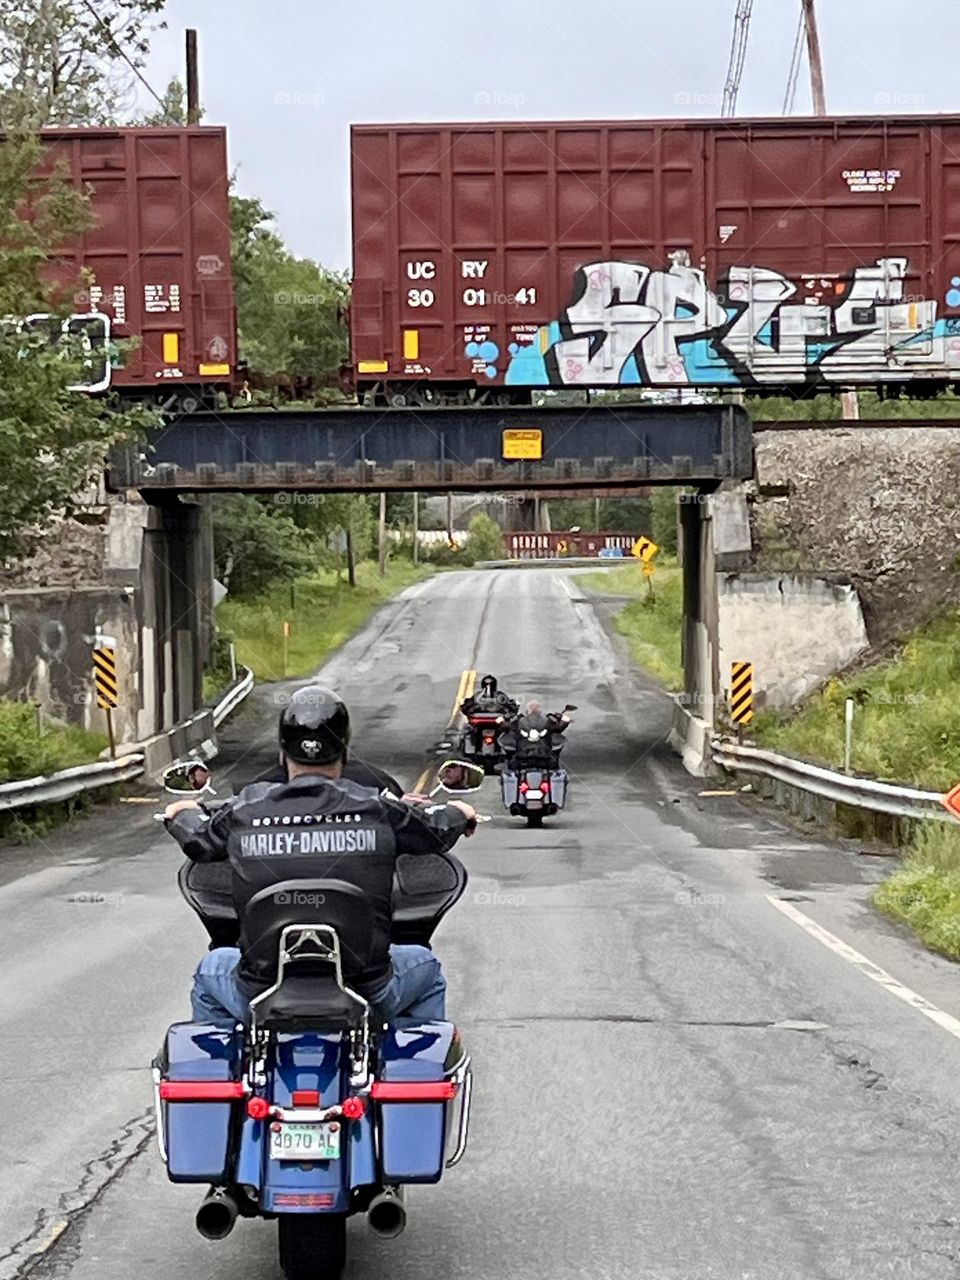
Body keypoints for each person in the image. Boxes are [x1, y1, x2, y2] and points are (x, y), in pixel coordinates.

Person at [163, 684, 477, 1027]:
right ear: (343, 752)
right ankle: (408, 1067)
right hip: (369, 991)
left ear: (283, 754)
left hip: (260, 992)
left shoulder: (244, 810)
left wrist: (182, 812)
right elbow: (437, 830)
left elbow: (197, 840)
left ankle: (230, 1067)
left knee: (213, 967)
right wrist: (461, 811)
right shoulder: (377, 808)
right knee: (424, 966)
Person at [500, 700, 571, 769]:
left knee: (509, 767)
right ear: (540, 711)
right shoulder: (548, 721)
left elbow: (504, 725)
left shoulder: (519, 721)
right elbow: (560, 727)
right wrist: (565, 719)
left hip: (521, 759)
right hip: (546, 760)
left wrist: (503, 719)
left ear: (527, 711)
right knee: (555, 766)